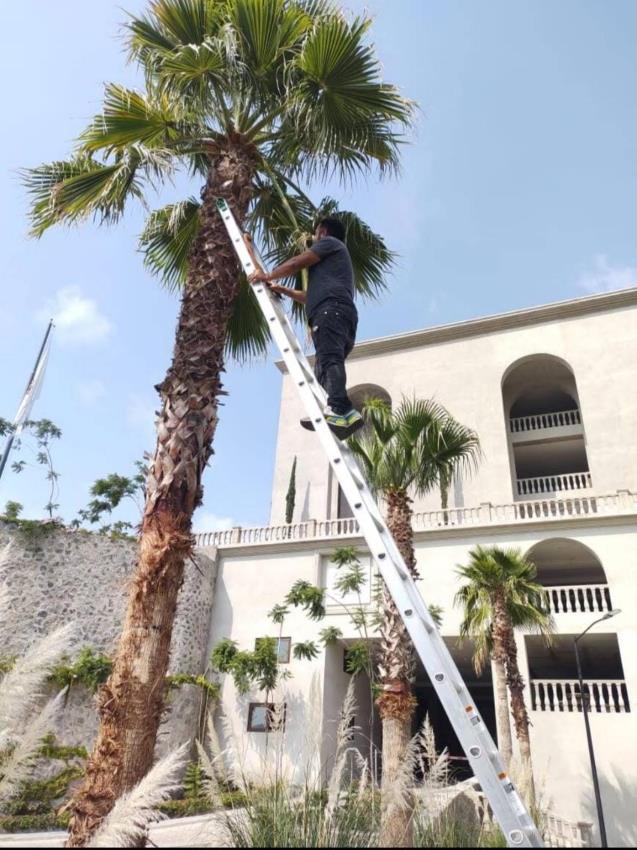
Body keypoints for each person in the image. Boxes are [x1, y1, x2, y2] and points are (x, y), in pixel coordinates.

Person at [249, 217, 363, 438]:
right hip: (341, 314)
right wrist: (283, 290)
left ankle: (339, 408)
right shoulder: (336, 266)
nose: (314, 237)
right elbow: (309, 296)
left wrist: (267, 275)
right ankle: (345, 411)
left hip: (331, 312)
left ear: (323, 231)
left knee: (330, 360)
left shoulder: (330, 243)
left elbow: (297, 263)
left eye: (316, 232)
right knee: (322, 371)